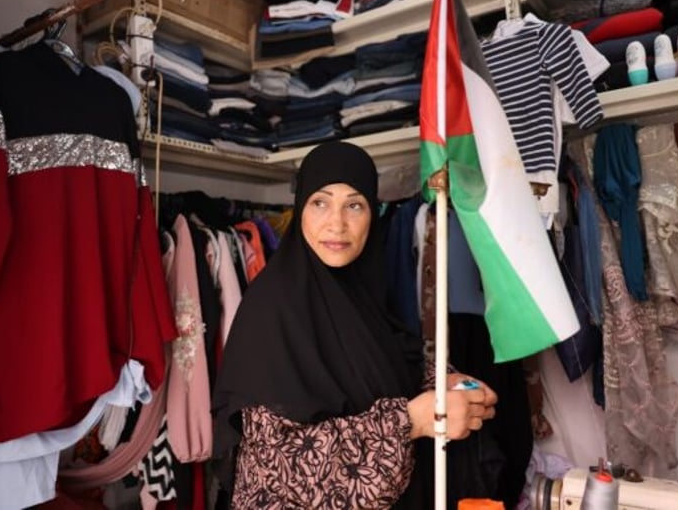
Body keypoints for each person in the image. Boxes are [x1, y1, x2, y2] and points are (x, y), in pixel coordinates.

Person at [212, 141, 497, 508]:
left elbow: (383, 366)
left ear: (371, 216)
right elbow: (281, 468)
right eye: (320, 202)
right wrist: (410, 421)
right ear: (300, 210)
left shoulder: (361, 294)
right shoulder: (272, 309)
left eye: (354, 205)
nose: (337, 223)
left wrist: (442, 382)